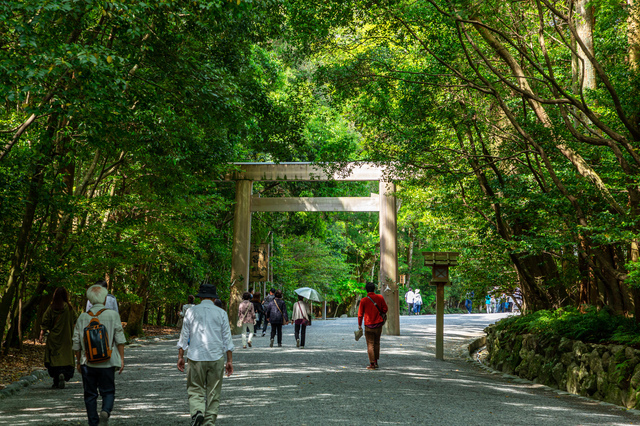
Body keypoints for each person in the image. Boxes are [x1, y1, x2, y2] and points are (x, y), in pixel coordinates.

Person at [177, 284, 234, 426]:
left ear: (200, 297)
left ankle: (197, 411)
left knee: (195, 388)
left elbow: (184, 336)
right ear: (214, 299)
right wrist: (229, 360)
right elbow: (227, 338)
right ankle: (209, 422)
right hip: (216, 356)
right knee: (214, 392)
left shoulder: (191, 311)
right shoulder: (221, 313)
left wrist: (180, 356)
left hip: (196, 356)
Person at [72, 284, 126, 426]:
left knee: (90, 394)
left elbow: (76, 343)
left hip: (87, 362)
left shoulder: (82, 317)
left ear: (89, 299)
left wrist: (78, 361)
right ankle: (105, 411)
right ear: (104, 300)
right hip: (107, 361)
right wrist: (121, 359)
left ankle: (93, 422)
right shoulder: (113, 315)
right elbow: (120, 339)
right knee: (108, 391)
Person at [39, 287, 77, 389]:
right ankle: (64, 374)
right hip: (67, 339)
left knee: (54, 358)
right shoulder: (69, 308)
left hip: (54, 339)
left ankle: (56, 378)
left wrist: (41, 334)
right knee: (66, 358)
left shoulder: (51, 308)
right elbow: (75, 321)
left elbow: (45, 322)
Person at [358, 282, 388, 370]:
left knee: (370, 344)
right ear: (374, 289)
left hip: (368, 325)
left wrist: (359, 325)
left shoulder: (364, 300)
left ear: (366, 289)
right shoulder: (380, 297)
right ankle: (376, 361)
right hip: (378, 324)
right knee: (377, 342)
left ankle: (372, 364)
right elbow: (385, 309)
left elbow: (360, 314)